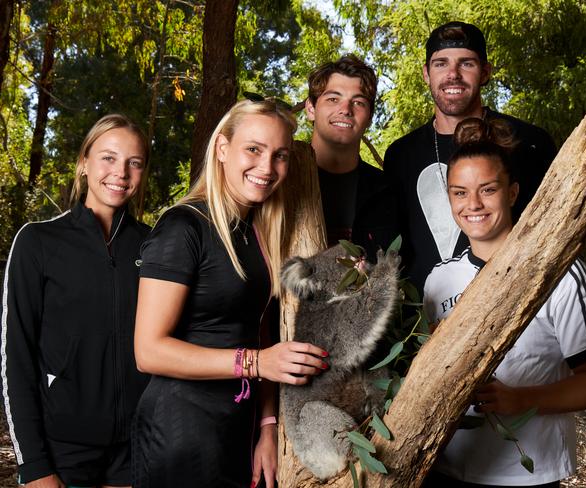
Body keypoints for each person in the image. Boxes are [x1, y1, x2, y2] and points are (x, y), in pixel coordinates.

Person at [131, 99, 329, 488]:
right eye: (253, 149)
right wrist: (256, 364)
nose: (267, 167)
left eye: (280, 155)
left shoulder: (258, 230)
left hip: (239, 429)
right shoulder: (183, 227)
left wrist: (268, 427)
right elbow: (147, 351)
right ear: (222, 149)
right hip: (181, 433)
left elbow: (260, 331)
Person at [422, 118, 586, 488]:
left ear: (511, 192)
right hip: (448, 468)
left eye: (487, 189)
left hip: (528, 474)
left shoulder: (562, 274)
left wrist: (520, 400)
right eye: (459, 193)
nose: (473, 204)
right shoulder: (438, 279)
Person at [2, 114, 151, 487]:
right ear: (83, 163)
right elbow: (15, 359)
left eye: (134, 162)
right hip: (62, 450)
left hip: (136, 449)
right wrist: (33, 465)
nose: (121, 172)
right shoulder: (38, 242)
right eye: (108, 158)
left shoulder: (155, 244)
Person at [384, 21, 557, 294]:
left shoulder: (529, 142)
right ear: (426, 74)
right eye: (441, 64)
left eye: (466, 63)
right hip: (425, 322)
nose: (452, 74)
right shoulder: (400, 154)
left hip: (515, 304)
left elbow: (552, 232)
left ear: (485, 72)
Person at [306, 54, 398, 255]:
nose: (345, 110)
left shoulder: (388, 192)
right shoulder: (281, 180)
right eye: (333, 99)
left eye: (358, 103)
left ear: (370, 117)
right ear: (310, 109)